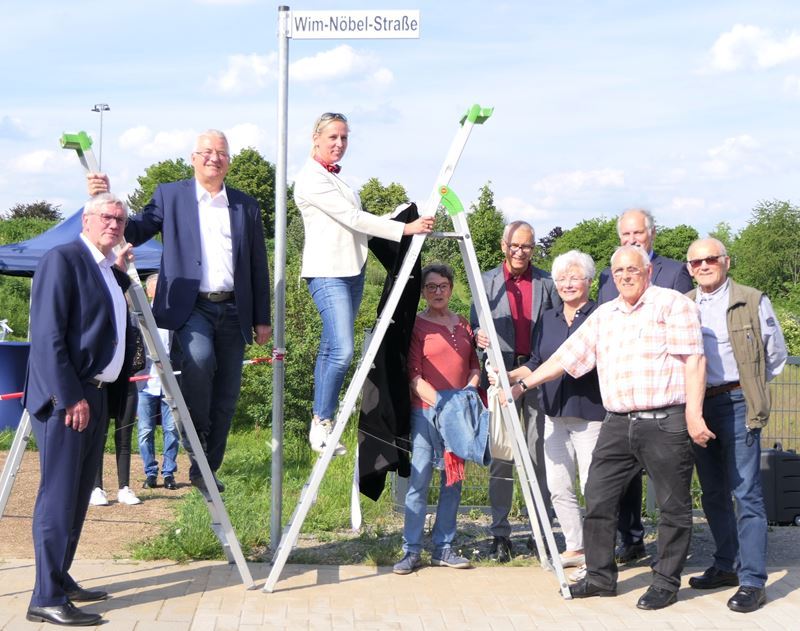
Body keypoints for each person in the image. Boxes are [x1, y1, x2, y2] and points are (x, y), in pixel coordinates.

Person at [509, 245, 708, 610]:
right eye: (618, 272)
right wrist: (522, 386)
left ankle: (665, 581)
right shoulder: (605, 315)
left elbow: (694, 361)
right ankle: (600, 577)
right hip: (617, 423)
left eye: (633, 269)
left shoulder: (673, 304)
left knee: (672, 506)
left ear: (647, 270)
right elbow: (564, 359)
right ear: (612, 276)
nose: (625, 276)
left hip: (665, 421)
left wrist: (694, 414)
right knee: (598, 496)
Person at [88, 129, 271, 494]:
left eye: (221, 153)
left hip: (235, 308)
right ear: (193, 158)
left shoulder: (245, 206)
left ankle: (205, 467)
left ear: (229, 161)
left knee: (227, 395)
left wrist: (262, 317)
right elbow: (134, 230)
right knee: (199, 364)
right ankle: (195, 444)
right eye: (206, 152)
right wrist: (105, 200)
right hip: (192, 307)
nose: (213, 158)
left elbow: (257, 263)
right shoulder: (170, 196)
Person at [23, 193, 135, 626]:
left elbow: (100, 322)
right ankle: (45, 597)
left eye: (120, 219)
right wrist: (69, 397)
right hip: (68, 401)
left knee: (77, 499)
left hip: (97, 396)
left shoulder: (106, 268)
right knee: (58, 498)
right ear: (86, 220)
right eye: (106, 216)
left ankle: (59, 577)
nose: (114, 224)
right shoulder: (63, 259)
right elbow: (48, 337)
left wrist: (122, 277)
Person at [293, 112, 433, 455]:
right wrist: (404, 229)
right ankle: (321, 421)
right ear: (316, 138)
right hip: (327, 273)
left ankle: (321, 422)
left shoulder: (338, 180)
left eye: (344, 138)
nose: (339, 144)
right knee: (342, 349)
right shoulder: (310, 179)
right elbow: (352, 218)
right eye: (333, 138)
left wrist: (400, 215)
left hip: (351, 271)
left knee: (331, 347)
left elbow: (357, 220)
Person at [685, 238, 787, 613]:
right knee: (712, 493)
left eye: (711, 259)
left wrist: (749, 388)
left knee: (746, 493)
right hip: (698, 405)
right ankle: (726, 565)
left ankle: (753, 580)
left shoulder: (751, 299)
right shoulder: (686, 304)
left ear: (726, 261)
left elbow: (775, 354)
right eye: (696, 262)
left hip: (738, 402)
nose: (704, 266)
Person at [597, 208, 694, 565]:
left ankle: (672, 559)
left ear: (651, 233)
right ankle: (631, 539)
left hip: (663, 400)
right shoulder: (610, 275)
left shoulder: (674, 272)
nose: (631, 240)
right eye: (625, 235)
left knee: (669, 488)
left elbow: (687, 337)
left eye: (637, 233)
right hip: (622, 398)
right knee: (617, 484)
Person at [503, 250, 604, 576]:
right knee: (559, 486)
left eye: (575, 277)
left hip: (589, 415)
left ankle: (598, 552)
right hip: (553, 415)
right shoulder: (548, 319)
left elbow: (568, 364)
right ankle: (574, 545)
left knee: (593, 487)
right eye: (562, 278)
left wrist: (524, 385)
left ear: (588, 281)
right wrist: (510, 377)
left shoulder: (599, 317)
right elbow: (536, 361)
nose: (568, 284)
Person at [470, 220, 559, 562]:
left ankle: (540, 531)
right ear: (503, 245)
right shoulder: (486, 282)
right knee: (503, 456)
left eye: (528, 246)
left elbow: (552, 329)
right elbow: (475, 323)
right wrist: (478, 335)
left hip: (536, 377)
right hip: (501, 377)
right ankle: (500, 533)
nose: (521, 252)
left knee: (539, 456)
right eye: (515, 246)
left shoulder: (547, 282)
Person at [393, 264, 481, 575]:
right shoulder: (417, 326)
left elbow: (473, 366)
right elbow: (413, 375)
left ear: (452, 288)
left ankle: (444, 547)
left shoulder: (463, 325)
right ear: (423, 292)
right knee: (418, 481)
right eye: (431, 287)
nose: (438, 291)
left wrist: (466, 395)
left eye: (443, 285)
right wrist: (444, 403)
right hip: (426, 413)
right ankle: (411, 550)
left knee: (453, 482)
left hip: (458, 416)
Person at [137, 274, 180, 491]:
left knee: (171, 430)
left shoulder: (173, 316)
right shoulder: (140, 316)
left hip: (170, 382)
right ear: (149, 292)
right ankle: (150, 472)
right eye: (157, 288)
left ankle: (169, 473)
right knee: (145, 431)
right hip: (145, 383)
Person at [88, 375, 141, 506]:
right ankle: (96, 488)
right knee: (98, 440)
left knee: (124, 440)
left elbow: (139, 362)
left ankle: (124, 488)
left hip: (127, 385)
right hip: (101, 386)